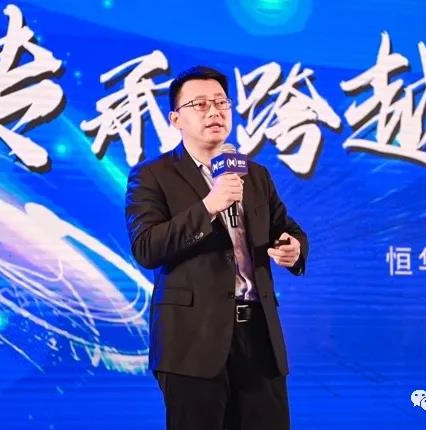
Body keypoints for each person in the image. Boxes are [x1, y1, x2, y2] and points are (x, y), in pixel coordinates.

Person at [125, 65, 308, 430]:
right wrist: (209, 206)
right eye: (200, 104)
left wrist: (294, 249)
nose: (214, 112)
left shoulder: (254, 174)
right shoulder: (152, 175)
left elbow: (287, 230)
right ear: (175, 119)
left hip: (259, 338)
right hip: (192, 341)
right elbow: (147, 247)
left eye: (222, 102)